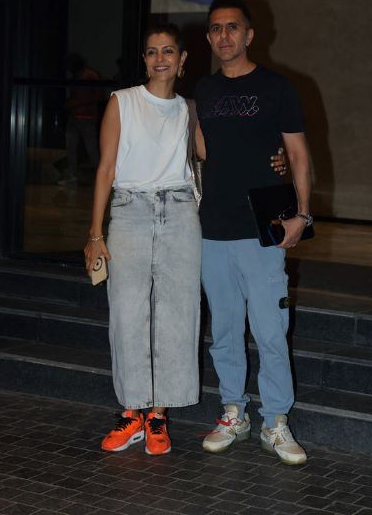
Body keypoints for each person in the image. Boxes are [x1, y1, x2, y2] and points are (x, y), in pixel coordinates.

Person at [84, 23, 287, 456]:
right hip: (129, 211)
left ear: (182, 59)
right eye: (152, 51)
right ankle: (131, 412)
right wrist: (95, 233)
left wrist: (278, 156)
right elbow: (105, 169)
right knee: (127, 313)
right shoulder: (122, 102)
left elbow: (224, 151)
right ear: (144, 59)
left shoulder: (191, 108)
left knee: (178, 316)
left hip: (179, 214)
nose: (160, 58)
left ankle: (158, 416)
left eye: (168, 51)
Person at [196, 0, 314, 465]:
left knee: (270, 331)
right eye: (216, 28)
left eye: (232, 27)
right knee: (224, 329)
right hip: (212, 230)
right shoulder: (203, 90)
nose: (223, 35)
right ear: (209, 38)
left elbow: (298, 154)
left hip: (263, 231)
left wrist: (302, 215)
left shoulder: (276, 87)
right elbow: (202, 152)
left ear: (249, 35)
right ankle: (233, 413)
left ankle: (276, 421)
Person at [58, 53, 103, 186]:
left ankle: (101, 177)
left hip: (87, 117)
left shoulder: (90, 75)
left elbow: (99, 96)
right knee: (71, 147)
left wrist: (77, 104)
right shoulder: (77, 76)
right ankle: (72, 176)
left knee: (91, 148)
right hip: (74, 116)